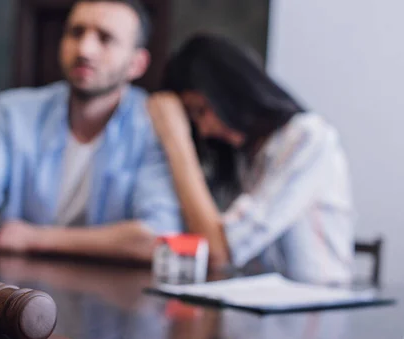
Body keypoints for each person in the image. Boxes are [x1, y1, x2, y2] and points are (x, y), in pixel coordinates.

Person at [0, 0, 182, 262]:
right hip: (15, 292)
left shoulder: (154, 125)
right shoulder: (13, 114)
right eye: (76, 32)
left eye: (105, 38)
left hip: (115, 294)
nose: (85, 48)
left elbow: (160, 237)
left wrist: (35, 238)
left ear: (137, 64)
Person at [147, 34, 354, 284]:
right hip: (255, 304)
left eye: (201, 110)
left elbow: (218, 252)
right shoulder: (245, 156)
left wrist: (176, 139)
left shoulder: (308, 138)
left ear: (230, 89)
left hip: (316, 309)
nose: (203, 130)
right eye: (193, 119)